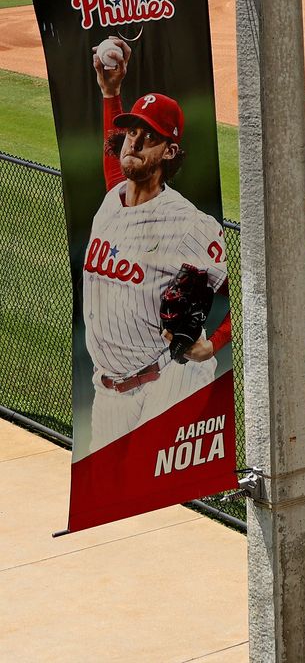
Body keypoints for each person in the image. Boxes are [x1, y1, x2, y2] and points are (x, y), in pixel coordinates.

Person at [83, 36, 227, 456]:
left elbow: (248, 293)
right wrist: (111, 94)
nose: (135, 141)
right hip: (108, 392)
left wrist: (214, 343)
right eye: (131, 131)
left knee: (160, 495)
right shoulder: (113, 198)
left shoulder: (189, 224)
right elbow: (118, 167)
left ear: (171, 150)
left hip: (168, 382)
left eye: (151, 136)